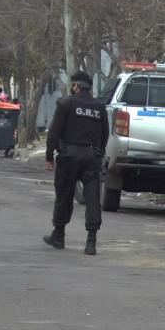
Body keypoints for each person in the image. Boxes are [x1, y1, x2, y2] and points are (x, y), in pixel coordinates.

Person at [43, 71, 109, 255]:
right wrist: (99, 153)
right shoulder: (100, 107)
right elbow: (105, 134)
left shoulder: (66, 103)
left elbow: (54, 132)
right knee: (92, 198)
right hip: (91, 157)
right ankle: (91, 242)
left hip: (69, 156)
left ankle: (59, 235)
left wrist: (49, 156)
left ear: (76, 86)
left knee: (64, 194)